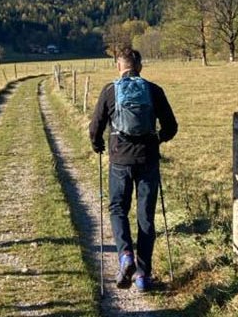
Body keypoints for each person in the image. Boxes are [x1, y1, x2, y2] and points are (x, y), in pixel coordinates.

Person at [89, 47, 178, 293]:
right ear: (139, 67)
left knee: (118, 208)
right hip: (148, 159)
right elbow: (171, 126)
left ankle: (125, 255)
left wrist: (97, 145)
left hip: (120, 160)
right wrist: (156, 139)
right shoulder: (154, 90)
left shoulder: (110, 90)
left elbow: (96, 125)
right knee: (146, 216)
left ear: (119, 66)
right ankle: (142, 276)